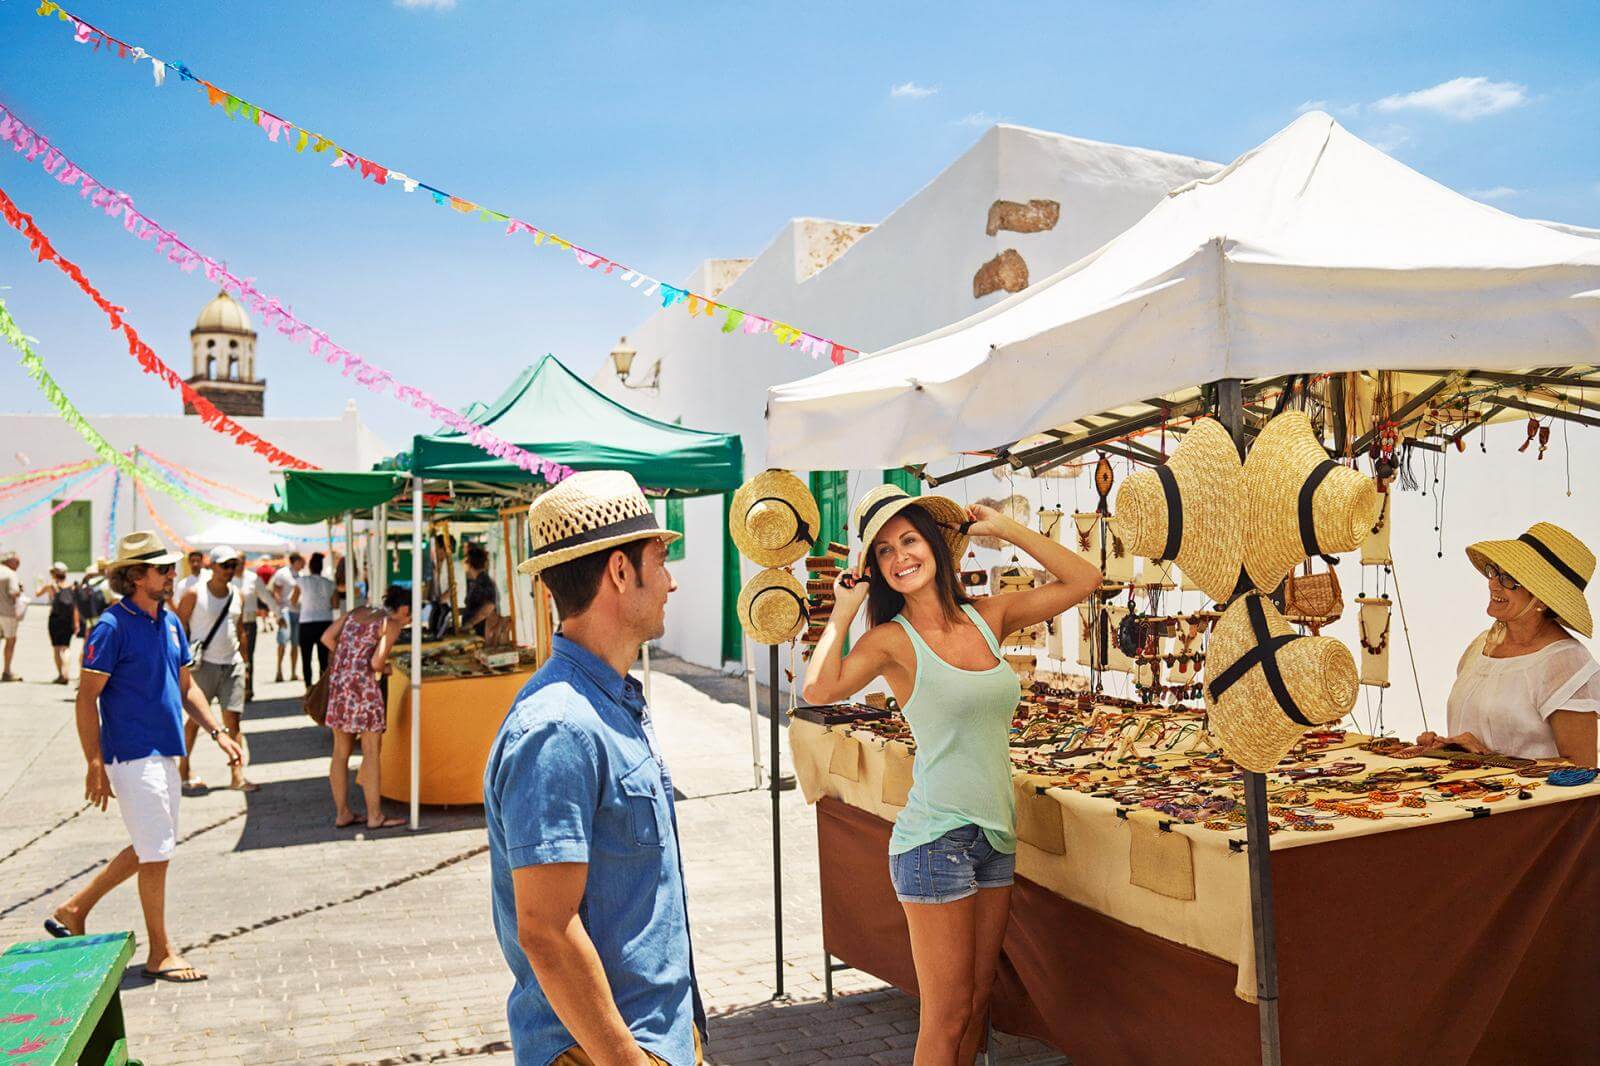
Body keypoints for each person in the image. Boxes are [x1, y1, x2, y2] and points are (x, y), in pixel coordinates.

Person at [802, 486, 1101, 1065]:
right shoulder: (891, 641)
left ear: (937, 547)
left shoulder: (989, 617)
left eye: (909, 540)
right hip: (936, 840)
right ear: (876, 570)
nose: (899, 557)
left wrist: (1005, 530)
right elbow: (820, 688)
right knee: (944, 1017)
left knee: (975, 1005)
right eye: (884, 551)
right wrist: (841, 610)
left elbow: (1084, 578)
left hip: (994, 837)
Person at [483, 470, 704, 1066]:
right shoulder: (558, 726)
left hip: (651, 1037)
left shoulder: (607, 701)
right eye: (660, 559)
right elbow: (545, 931)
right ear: (620, 571)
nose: (672, 581)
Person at [45, 530, 244, 982]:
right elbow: (85, 698)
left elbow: (186, 686)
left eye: (171, 567)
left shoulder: (169, 621)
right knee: (157, 851)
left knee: (153, 845)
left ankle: (74, 909)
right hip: (132, 755)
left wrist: (217, 732)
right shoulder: (111, 627)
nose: (173, 574)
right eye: (163, 568)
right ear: (136, 576)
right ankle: (160, 952)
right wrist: (93, 762)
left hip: (164, 751)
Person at [1416, 522, 1598, 767]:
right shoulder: (1481, 646)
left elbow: (1581, 768)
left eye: (1509, 579)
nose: (1493, 584)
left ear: (1541, 600)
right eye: (1494, 572)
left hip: (1529, 806)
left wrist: (1486, 760)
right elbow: (1473, 738)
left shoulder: (1566, 663)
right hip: (1468, 800)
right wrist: (1447, 749)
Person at [321, 585, 411, 830]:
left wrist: (348, 659)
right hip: (364, 691)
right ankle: (375, 816)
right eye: (410, 615)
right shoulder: (389, 624)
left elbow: (327, 637)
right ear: (403, 609)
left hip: (340, 687)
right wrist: (391, 669)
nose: (409, 621)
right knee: (371, 752)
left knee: (340, 752)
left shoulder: (356, 612)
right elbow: (377, 662)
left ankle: (342, 813)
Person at [176, 546, 259, 792]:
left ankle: (237, 775)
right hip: (204, 665)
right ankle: (183, 770)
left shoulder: (238, 595)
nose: (230, 570)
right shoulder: (194, 594)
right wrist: (181, 660)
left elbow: (240, 630)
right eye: (225, 565)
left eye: (233, 565)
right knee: (194, 720)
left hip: (231, 664)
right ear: (211, 566)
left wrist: (246, 663)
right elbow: (178, 627)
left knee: (233, 721)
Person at [292, 552, 337, 687]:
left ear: (310, 567)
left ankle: (308, 687)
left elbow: (293, 601)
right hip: (325, 622)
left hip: (307, 621)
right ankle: (322, 688)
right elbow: (335, 604)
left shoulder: (302, 581)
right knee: (323, 658)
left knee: (306, 657)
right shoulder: (329, 583)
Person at [38, 562, 79, 685]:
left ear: (54, 574)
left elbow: (37, 594)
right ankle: (67, 672)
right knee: (66, 647)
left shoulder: (51, 586)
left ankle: (60, 674)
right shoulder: (72, 587)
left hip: (55, 618)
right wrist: (76, 623)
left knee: (56, 648)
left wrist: (39, 583)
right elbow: (75, 607)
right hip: (68, 619)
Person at [269, 553, 304, 683]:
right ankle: (279, 671)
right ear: (296, 561)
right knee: (282, 641)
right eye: (301, 561)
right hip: (285, 610)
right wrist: (278, 612)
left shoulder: (302, 575)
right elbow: (276, 592)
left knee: (295, 643)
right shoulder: (282, 573)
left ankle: (294, 672)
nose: (303, 564)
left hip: (298, 612)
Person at [462, 543, 499, 638]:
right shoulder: (477, 581)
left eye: (465, 560)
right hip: (474, 632)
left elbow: (489, 606)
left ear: (469, 564)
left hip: (481, 633)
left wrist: (470, 623)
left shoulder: (484, 581)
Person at [0, 549, 22, 682]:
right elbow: (14, 592)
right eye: (17, 562)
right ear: (10, 561)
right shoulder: (11, 574)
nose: (19, 564)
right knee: (10, 641)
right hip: (7, 613)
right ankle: (7, 670)